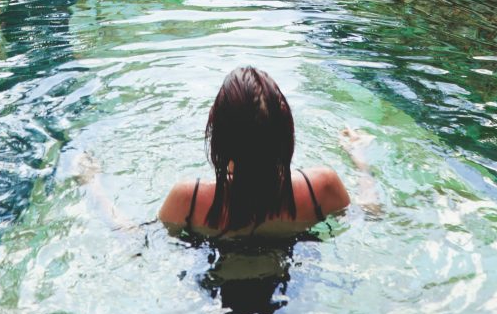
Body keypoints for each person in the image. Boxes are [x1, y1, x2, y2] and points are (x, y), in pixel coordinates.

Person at [157, 66, 374, 238]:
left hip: (215, 288)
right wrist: (360, 160)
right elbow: (370, 213)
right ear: (285, 135)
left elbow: (143, 243)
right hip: (297, 286)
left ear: (220, 141)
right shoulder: (320, 187)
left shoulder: (189, 200)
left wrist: (120, 218)